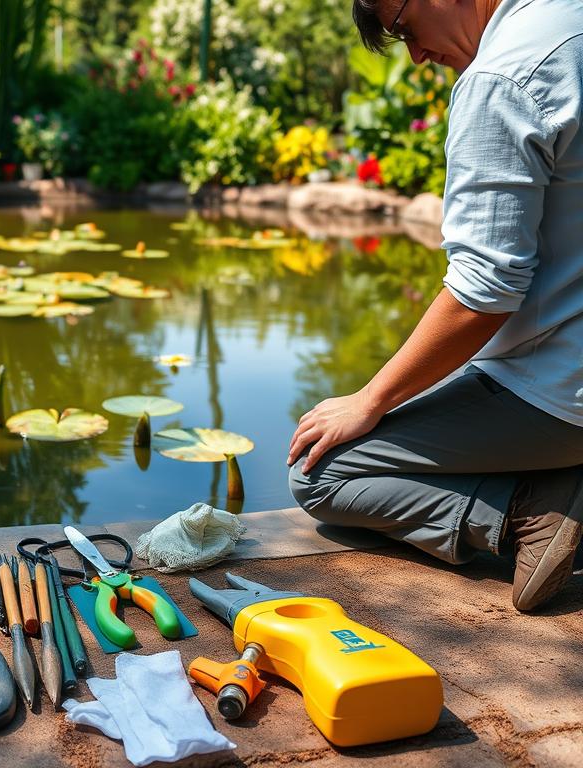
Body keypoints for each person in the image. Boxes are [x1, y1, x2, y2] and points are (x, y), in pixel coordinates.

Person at [287, 0, 583, 612]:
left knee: (319, 472)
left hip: (560, 393)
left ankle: (526, 511)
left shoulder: (502, 78)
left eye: (402, 29)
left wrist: (370, 399)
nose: (416, 53)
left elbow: (484, 291)